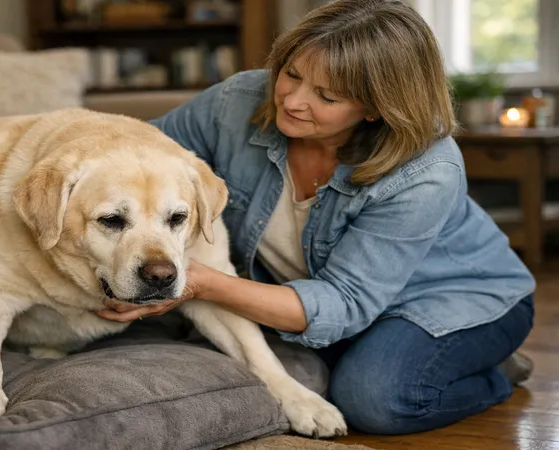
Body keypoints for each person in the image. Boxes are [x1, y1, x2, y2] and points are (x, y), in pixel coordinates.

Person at [95, 0, 536, 436]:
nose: (293, 101)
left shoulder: (427, 170)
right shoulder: (236, 101)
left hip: (454, 298)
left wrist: (198, 281)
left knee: (374, 400)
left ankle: (491, 371)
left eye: (326, 96)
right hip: (319, 296)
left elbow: (344, 301)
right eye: (291, 74)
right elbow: (138, 151)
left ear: (375, 108)